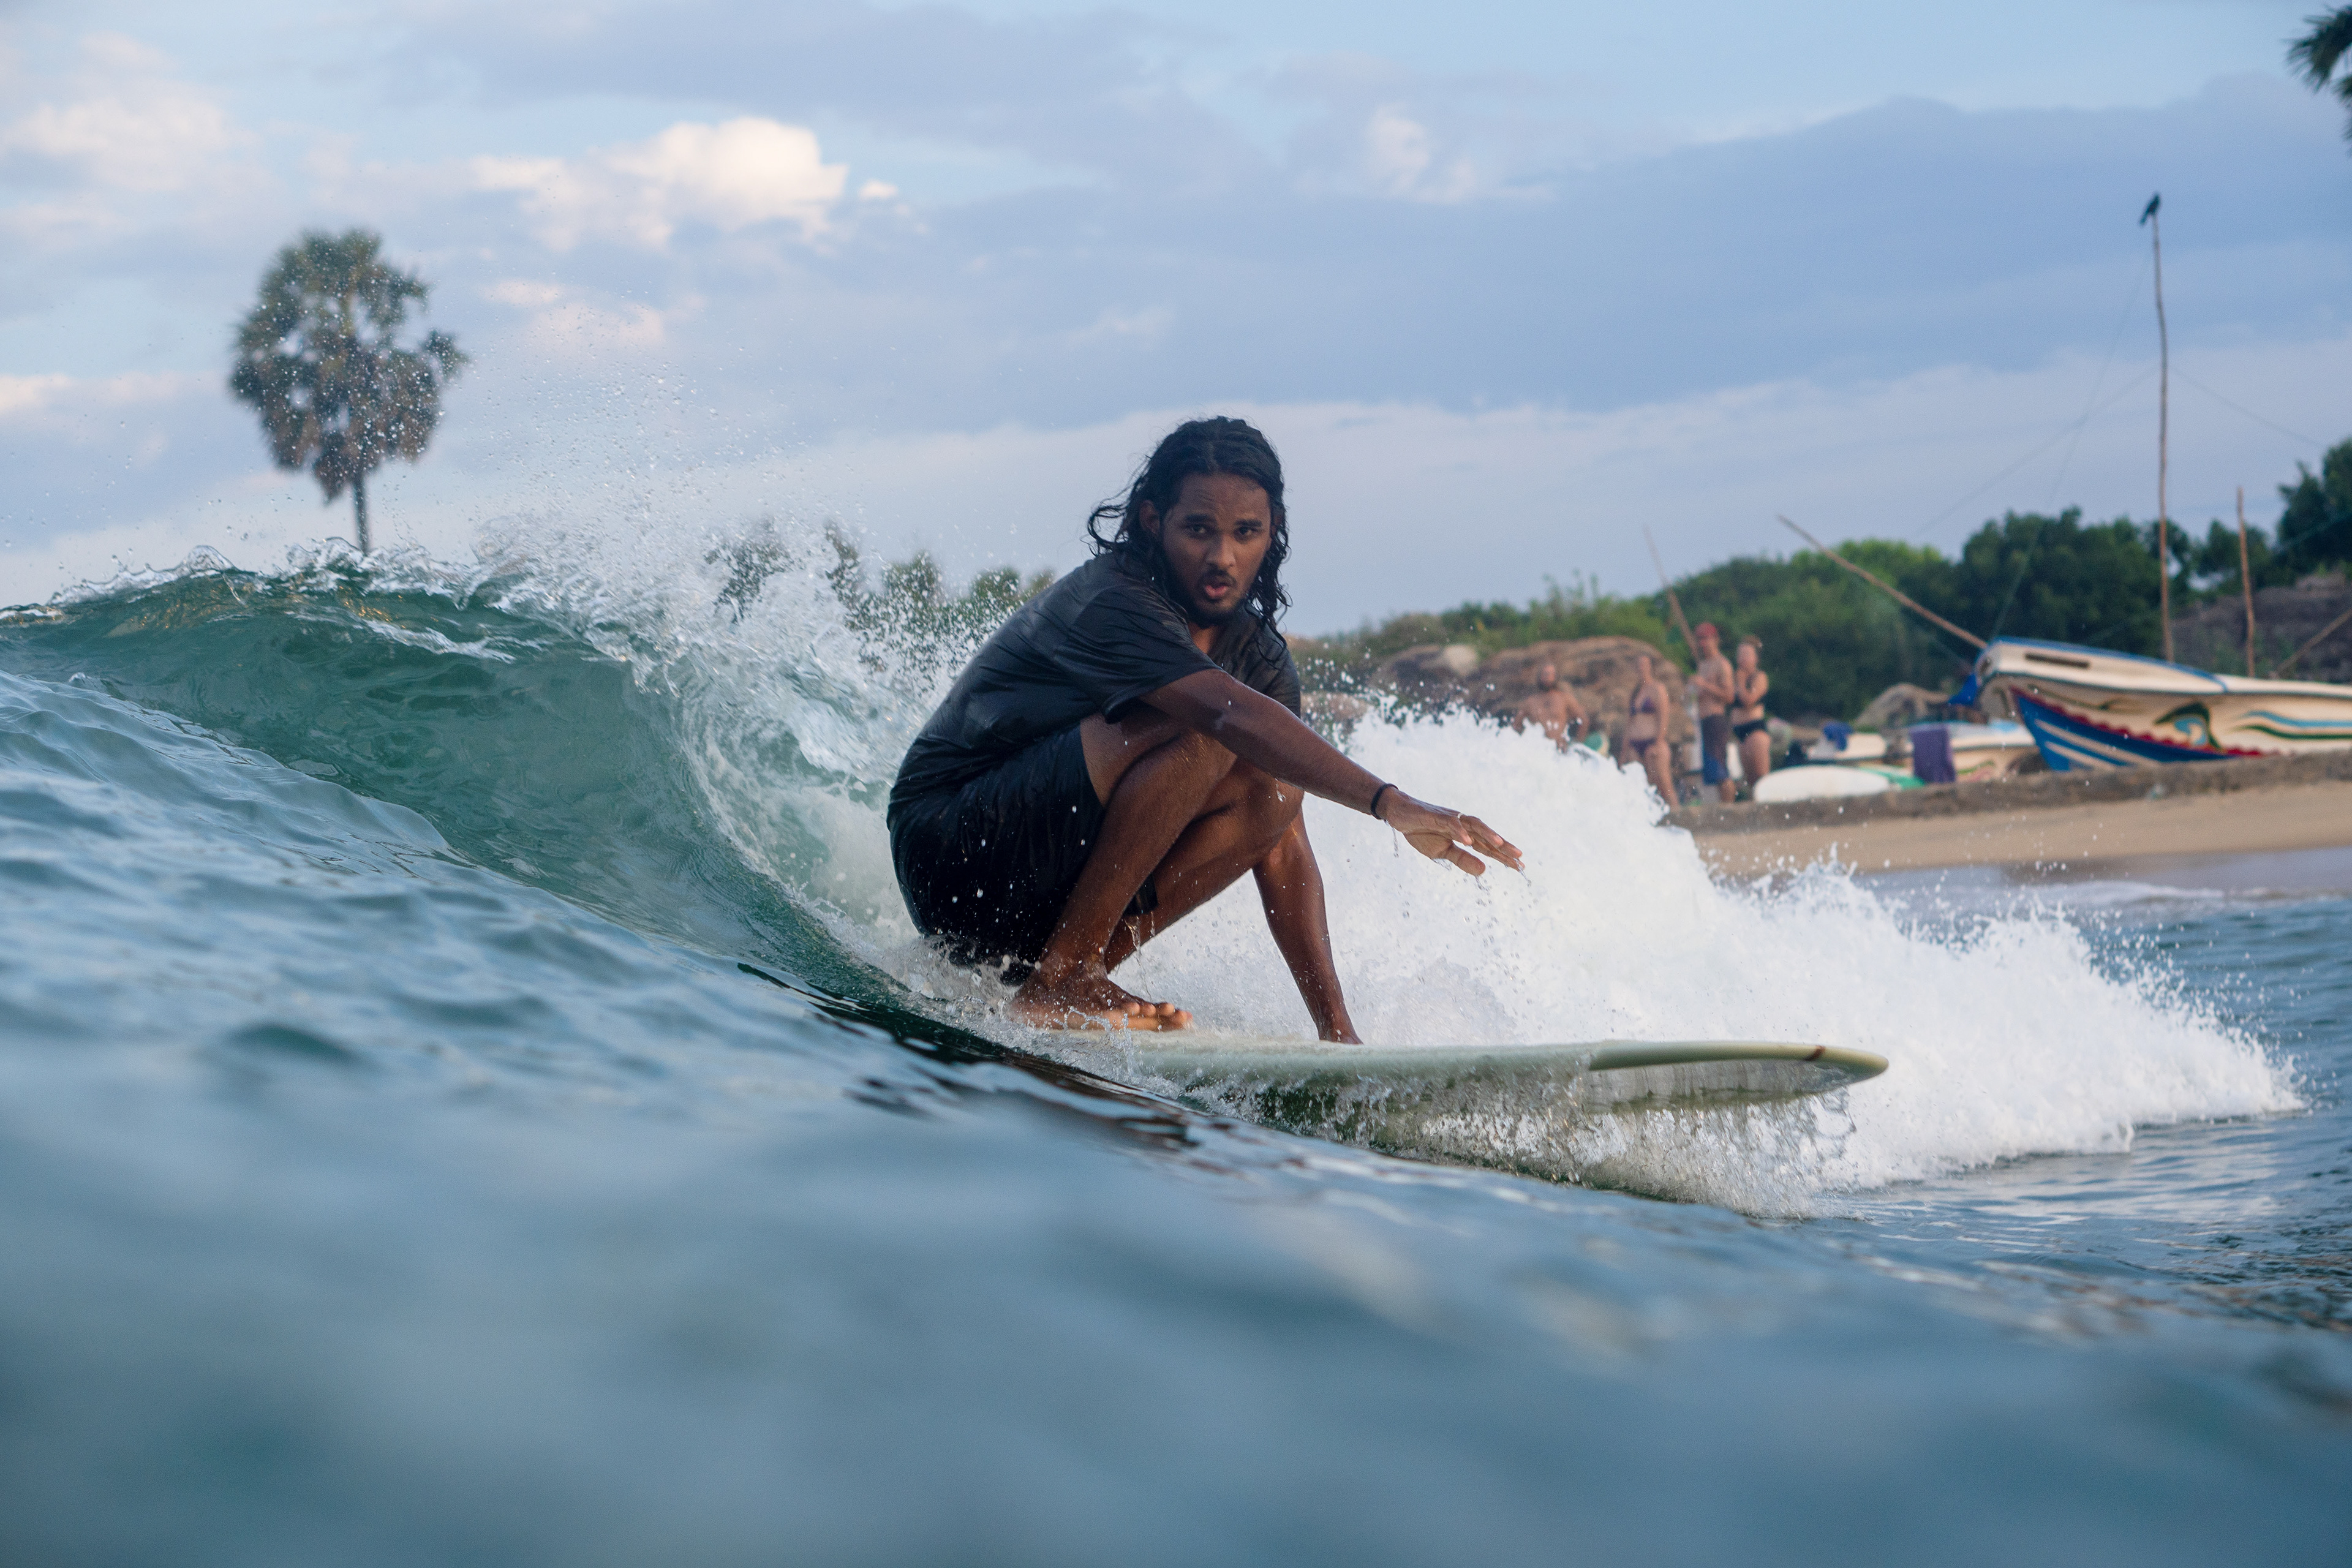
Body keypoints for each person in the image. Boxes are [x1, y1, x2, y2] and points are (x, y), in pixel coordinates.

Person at [886, 417, 1521, 1038]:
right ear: (1152, 522)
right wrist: (1390, 803)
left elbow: (1281, 840)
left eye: (1246, 532)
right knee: (1210, 732)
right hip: (951, 854)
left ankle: (1066, 972)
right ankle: (1065, 976)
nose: (1223, 557)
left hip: (1033, 911)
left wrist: (1338, 1036)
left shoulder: (1258, 656)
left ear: (1271, 533)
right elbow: (1224, 713)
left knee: (1272, 791)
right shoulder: (1114, 600)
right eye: (1198, 530)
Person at [1691, 621, 1736, 804]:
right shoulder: (1703, 665)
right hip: (1704, 720)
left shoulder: (1722, 664)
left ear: (1715, 639)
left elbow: (1729, 696)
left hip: (1717, 719)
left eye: (1706, 639)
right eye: (1700, 639)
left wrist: (1705, 686)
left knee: (1721, 770)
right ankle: (1723, 809)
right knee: (1712, 772)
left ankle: (1730, 809)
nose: (1703, 643)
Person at [1619, 652, 1675, 801]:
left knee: (1664, 783)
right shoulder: (1634, 692)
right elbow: (1629, 724)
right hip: (1634, 744)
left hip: (1653, 742)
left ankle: (1677, 814)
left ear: (1650, 667)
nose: (1641, 668)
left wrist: (1658, 742)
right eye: (1638, 665)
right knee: (1640, 785)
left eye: (1644, 664)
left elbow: (1664, 717)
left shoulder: (1657, 689)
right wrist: (1624, 751)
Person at [1512, 661, 1588, 750]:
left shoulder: (1565, 699)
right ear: (1540, 677)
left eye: (1551, 674)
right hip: (1538, 751)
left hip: (1559, 750)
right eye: (1546, 674)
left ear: (1556, 677)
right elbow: (1516, 726)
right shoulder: (1530, 702)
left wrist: (1577, 744)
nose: (1548, 677)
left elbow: (1584, 720)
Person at [1731, 636, 1771, 790]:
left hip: (1755, 730)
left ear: (1756, 658)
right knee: (1750, 780)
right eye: (1740, 654)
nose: (1742, 659)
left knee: (1762, 777)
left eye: (1747, 654)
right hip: (1740, 733)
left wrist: (1741, 682)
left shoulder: (1760, 677)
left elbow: (1749, 702)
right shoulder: (1736, 677)